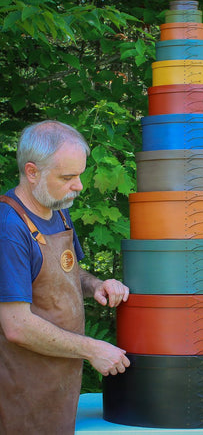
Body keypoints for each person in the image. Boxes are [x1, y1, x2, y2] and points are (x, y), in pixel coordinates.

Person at [0, 120, 130, 435]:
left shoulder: (57, 208)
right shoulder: (10, 229)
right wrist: (92, 349)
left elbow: (68, 272)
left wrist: (97, 285)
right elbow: (16, 326)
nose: (80, 186)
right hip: (20, 388)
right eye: (68, 177)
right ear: (32, 173)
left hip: (59, 381)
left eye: (80, 175)